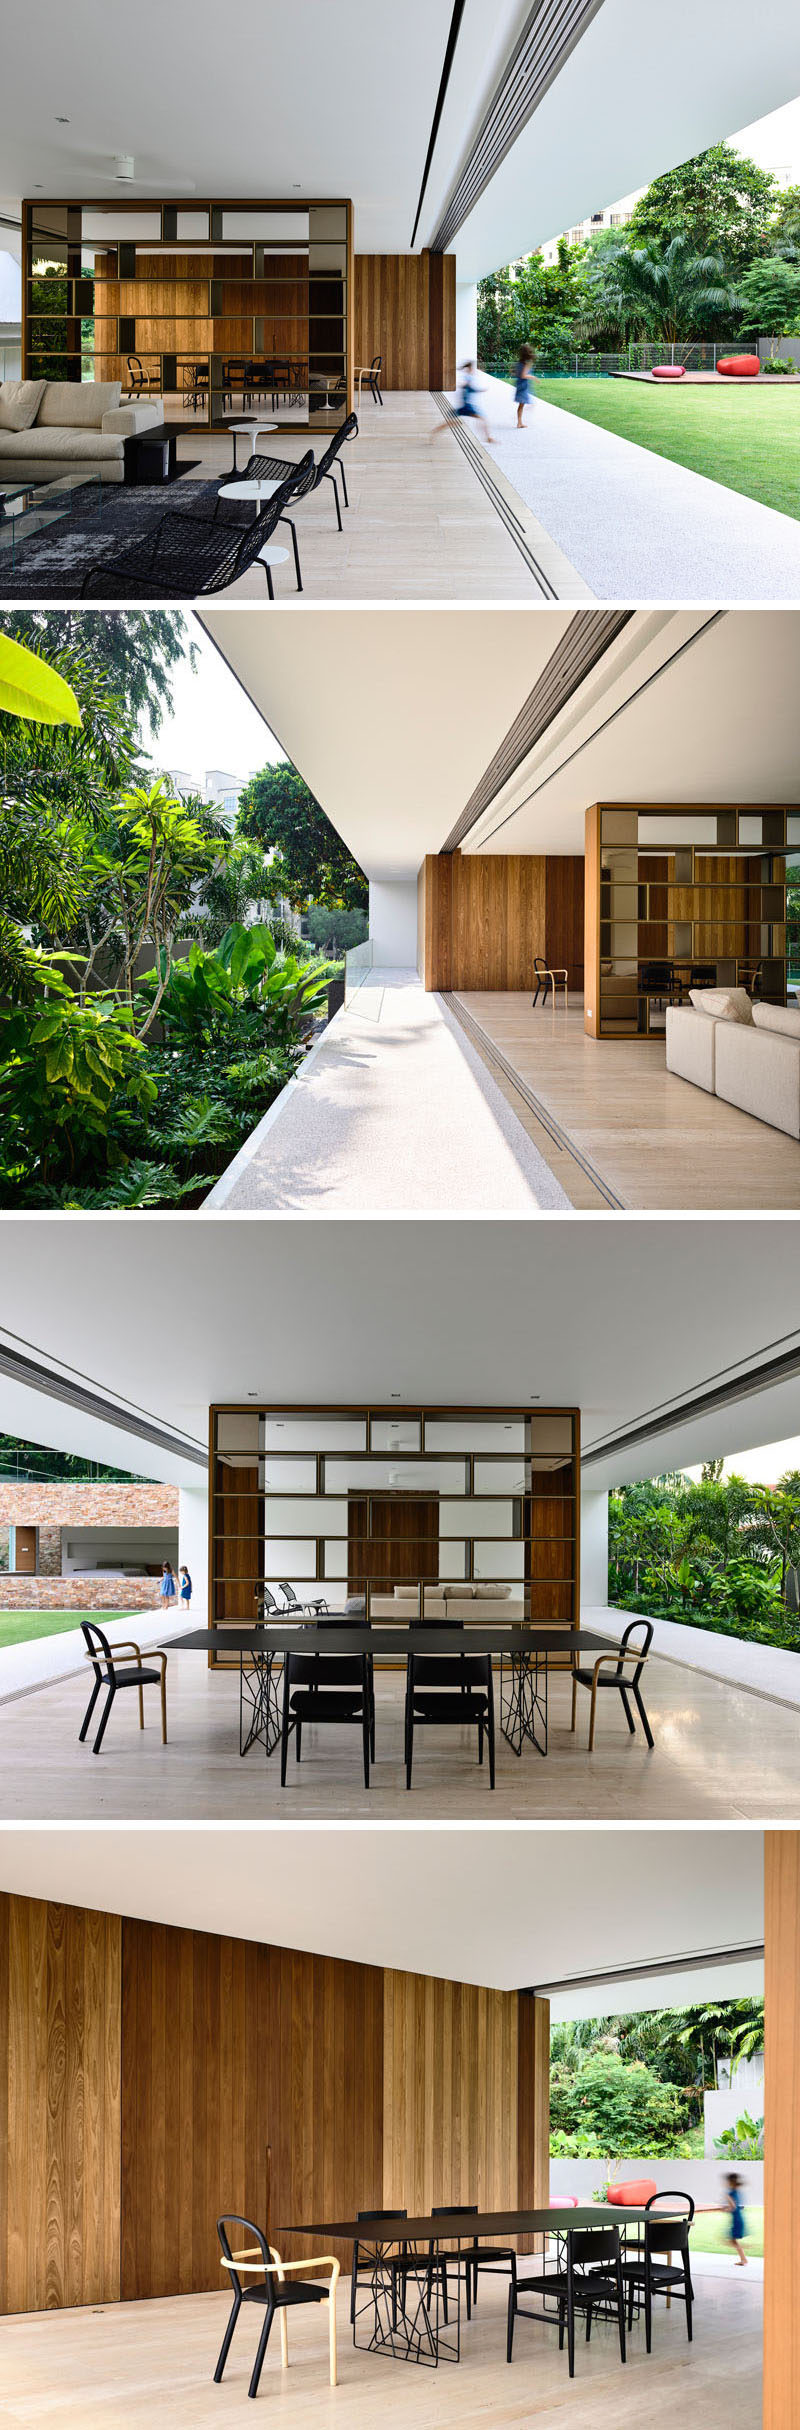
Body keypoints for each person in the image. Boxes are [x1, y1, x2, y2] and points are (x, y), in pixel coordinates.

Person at [431, 361, 494, 445]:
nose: (474, 370)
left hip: (464, 405)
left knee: (454, 422)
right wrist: (473, 387)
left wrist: (479, 390)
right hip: (467, 406)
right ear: (470, 368)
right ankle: (488, 438)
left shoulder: (468, 377)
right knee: (482, 419)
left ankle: (434, 432)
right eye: (473, 368)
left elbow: (471, 388)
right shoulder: (468, 377)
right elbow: (468, 386)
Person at [725, 2172, 748, 2265]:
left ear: (729, 2182)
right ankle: (743, 2259)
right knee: (732, 2240)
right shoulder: (737, 2192)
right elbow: (739, 2206)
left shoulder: (729, 2194)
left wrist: (725, 2210)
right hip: (739, 2218)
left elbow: (733, 2207)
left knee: (731, 2240)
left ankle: (744, 2258)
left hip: (736, 2220)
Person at [514, 343, 534, 427]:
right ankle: (519, 423)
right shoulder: (526, 364)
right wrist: (533, 377)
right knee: (523, 404)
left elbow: (514, 372)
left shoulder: (519, 363)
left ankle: (519, 422)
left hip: (520, 385)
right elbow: (523, 375)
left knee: (521, 404)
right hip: (523, 386)